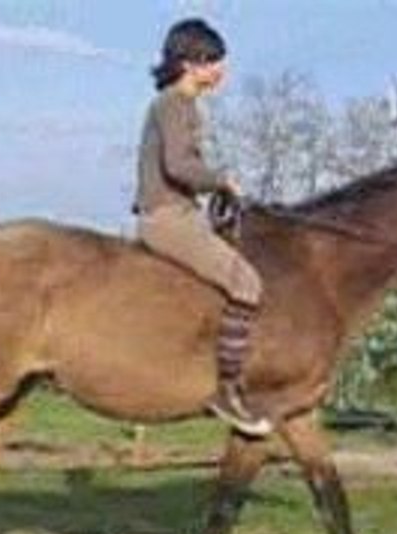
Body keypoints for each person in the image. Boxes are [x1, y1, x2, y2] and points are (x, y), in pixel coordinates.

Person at [134, 18, 272, 437]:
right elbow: (178, 165)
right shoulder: (174, 103)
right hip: (167, 218)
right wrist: (222, 181)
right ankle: (227, 391)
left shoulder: (183, 105)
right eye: (215, 61)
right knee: (247, 282)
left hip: (179, 213)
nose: (222, 70)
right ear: (191, 62)